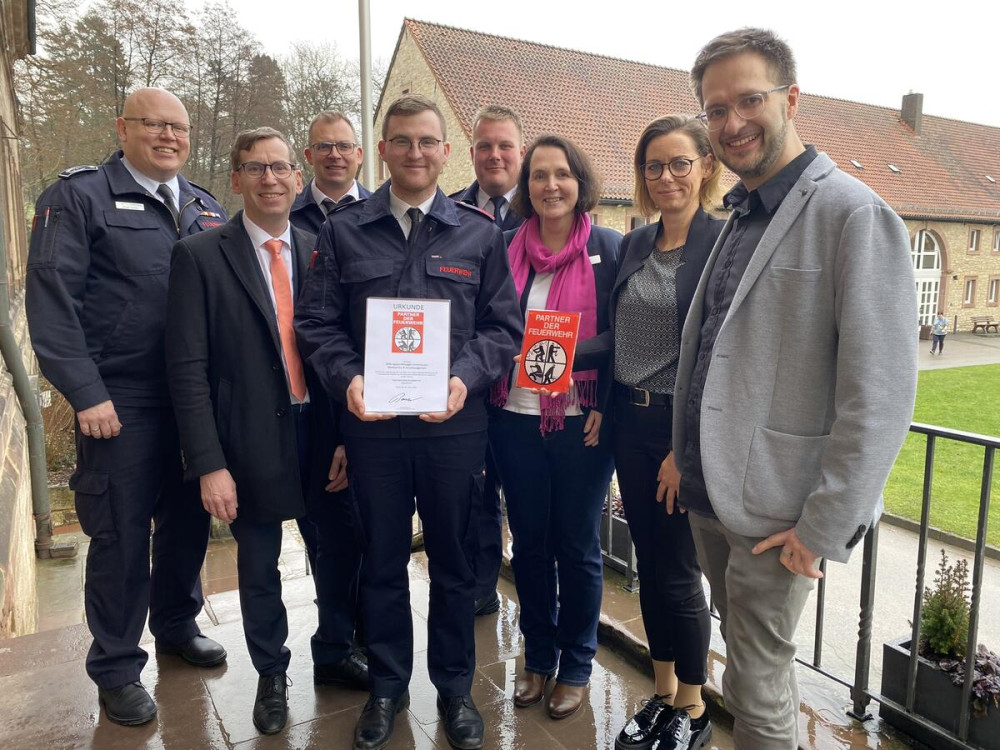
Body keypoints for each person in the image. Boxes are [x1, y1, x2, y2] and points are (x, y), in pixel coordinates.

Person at [673, 29, 918, 749]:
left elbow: (878, 394)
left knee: (760, 687)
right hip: (713, 496)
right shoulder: (742, 212)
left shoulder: (854, 214)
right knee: (746, 670)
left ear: (792, 98)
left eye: (749, 99)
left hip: (779, 519)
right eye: (715, 110)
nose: (731, 122)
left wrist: (822, 529)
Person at [294, 94, 522, 750]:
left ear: (445, 151)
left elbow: (504, 327)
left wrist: (465, 377)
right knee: (382, 561)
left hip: (453, 427)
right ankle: (389, 684)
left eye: (427, 142)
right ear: (383, 149)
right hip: (373, 430)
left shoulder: (477, 232)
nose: (415, 153)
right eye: (402, 141)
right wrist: (348, 380)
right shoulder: (345, 230)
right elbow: (316, 322)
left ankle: (455, 688)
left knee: (455, 563)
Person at [25, 87, 227, 727]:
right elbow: (52, 305)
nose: (169, 136)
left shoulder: (204, 206)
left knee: (187, 525)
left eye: (179, 127)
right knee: (118, 536)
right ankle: (116, 665)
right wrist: (85, 393)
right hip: (121, 402)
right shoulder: (77, 198)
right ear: (123, 127)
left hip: (193, 400)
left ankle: (175, 625)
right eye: (154, 125)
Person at [165, 127, 368, 736]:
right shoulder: (200, 256)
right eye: (257, 168)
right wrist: (209, 462)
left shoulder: (319, 250)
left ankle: (333, 654)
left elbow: (340, 351)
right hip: (246, 440)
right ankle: (272, 674)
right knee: (259, 567)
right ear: (236, 179)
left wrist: (344, 441)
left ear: (298, 179)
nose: (271, 179)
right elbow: (187, 369)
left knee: (338, 555)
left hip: (320, 434)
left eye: (280, 168)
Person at [488, 134, 619, 721]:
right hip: (513, 417)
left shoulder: (609, 249)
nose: (550, 186)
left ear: (579, 181)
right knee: (531, 546)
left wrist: (583, 375)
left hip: (578, 423)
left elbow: (624, 336)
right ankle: (538, 656)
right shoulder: (504, 248)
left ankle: (578, 664)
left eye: (561, 174)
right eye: (538, 175)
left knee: (577, 545)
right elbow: (485, 326)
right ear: (525, 186)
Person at [609, 116, 723, 750]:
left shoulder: (720, 243)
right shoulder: (635, 244)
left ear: (705, 166)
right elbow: (619, 336)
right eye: (654, 165)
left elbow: (716, 356)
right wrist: (551, 353)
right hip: (631, 420)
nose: (667, 176)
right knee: (646, 566)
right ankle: (660, 694)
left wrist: (686, 449)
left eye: (680, 163)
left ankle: (695, 707)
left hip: (680, 429)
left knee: (679, 572)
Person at [450, 104, 528, 616]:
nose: (495, 155)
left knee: (526, 502)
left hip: (529, 393)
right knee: (475, 497)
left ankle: (535, 593)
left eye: (505, 146)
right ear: (471, 152)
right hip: (470, 386)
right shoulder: (450, 213)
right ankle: (480, 588)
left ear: (520, 152)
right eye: (485, 146)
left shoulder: (547, 208)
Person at [290, 111, 372, 235]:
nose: (334, 155)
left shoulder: (383, 213)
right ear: (309, 156)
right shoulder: (288, 215)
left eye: (344, 146)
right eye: (324, 147)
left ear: (359, 155)